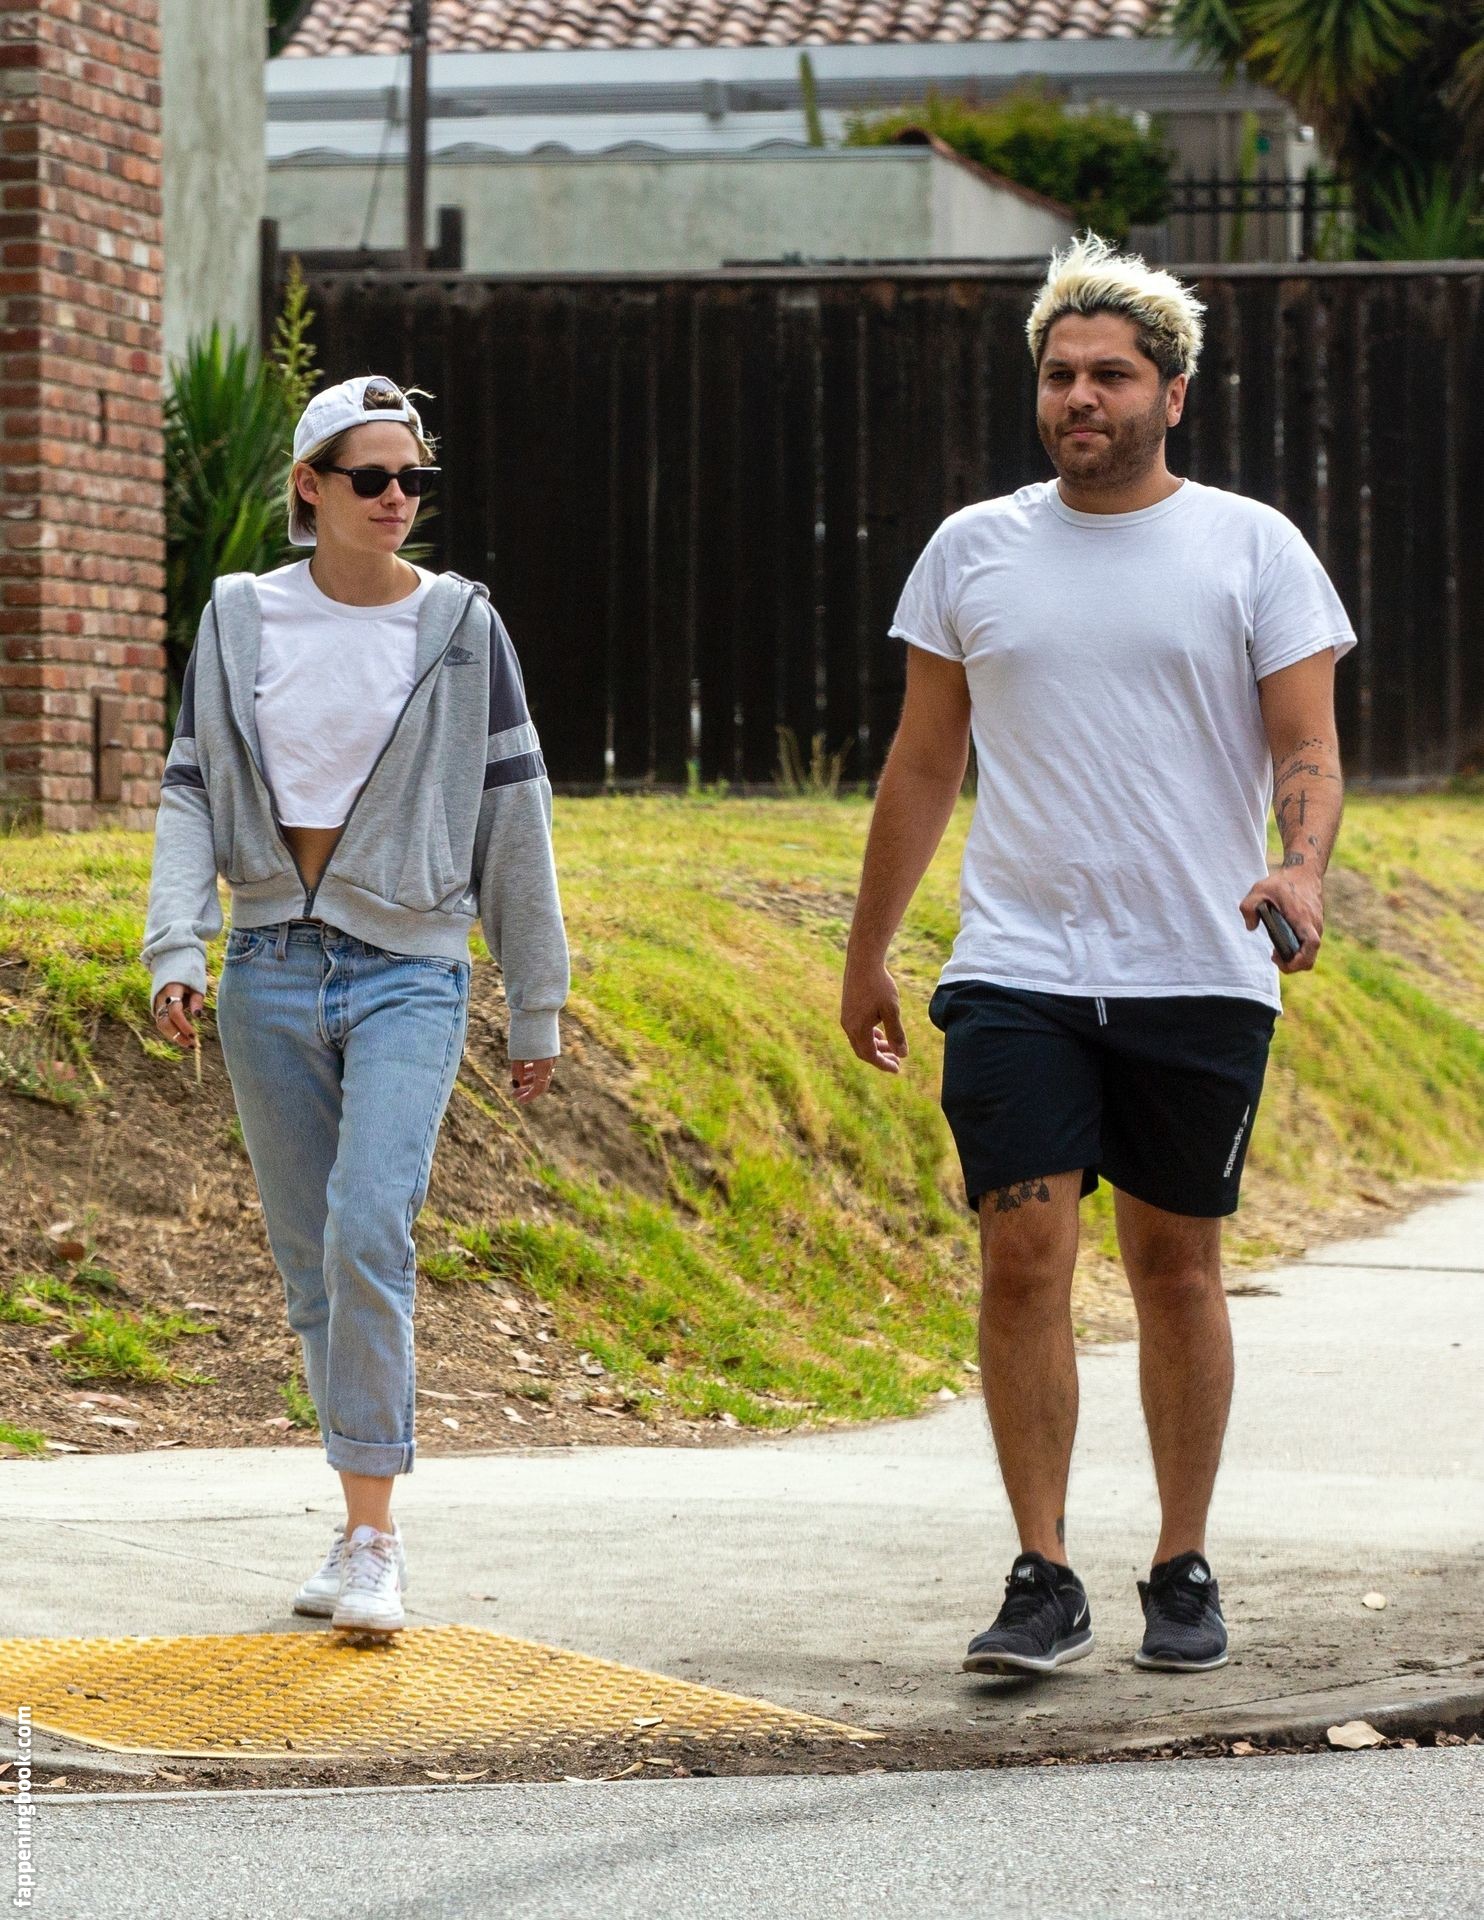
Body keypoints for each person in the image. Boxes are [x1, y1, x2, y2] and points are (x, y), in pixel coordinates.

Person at [840, 234, 1355, 1677]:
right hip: (1018, 966)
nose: (1080, 396)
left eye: (1111, 375)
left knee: (1174, 1265)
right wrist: (869, 951)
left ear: (1170, 395)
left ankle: (1180, 1563)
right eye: (1060, 374)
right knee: (1024, 1251)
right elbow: (923, 763)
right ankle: (1042, 1573)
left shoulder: (1252, 547)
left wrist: (1300, 866)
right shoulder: (972, 549)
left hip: (1198, 964)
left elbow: (1306, 745)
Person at [142, 374, 568, 1637]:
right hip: (268, 965)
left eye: (414, 479)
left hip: (411, 970)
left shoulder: (461, 625)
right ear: (308, 486)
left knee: (369, 1224)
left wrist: (534, 1002)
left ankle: (377, 1540)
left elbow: (513, 812)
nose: (397, 499)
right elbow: (187, 789)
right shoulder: (240, 617)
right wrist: (176, 944)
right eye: (371, 477)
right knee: (310, 1262)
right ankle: (352, 1519)